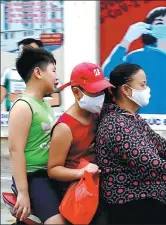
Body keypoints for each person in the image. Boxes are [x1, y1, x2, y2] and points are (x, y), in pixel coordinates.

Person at [95, 63, 166, 224]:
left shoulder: (131, 118)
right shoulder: (116, 124)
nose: (147, 89)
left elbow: (162, 145)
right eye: (142, 85)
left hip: (146, 195)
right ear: (126, 90)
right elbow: (152, 165)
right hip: (129, 201)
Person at [47, 62, 113, 223]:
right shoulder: (65, 127)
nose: (101, 96)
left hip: (98, 186)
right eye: (94, 92)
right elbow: (53, 169)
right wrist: (82, 172)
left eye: (102, 91)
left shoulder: (95, 114)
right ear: (76, 93)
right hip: (77, 193)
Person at [8, 47, 66, 224]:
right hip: (33, 177)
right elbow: (15, 151)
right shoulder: (23, 106)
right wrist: (23, 192)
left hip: (49, 174)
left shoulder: (45, 104)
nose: (57, 76)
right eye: (54, 70)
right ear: (38, 73)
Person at [1, 38, 61, 111]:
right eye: (23, 52)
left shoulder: (48, 74)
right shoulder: (9, 72)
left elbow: (56, 101)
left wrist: (24, 100)